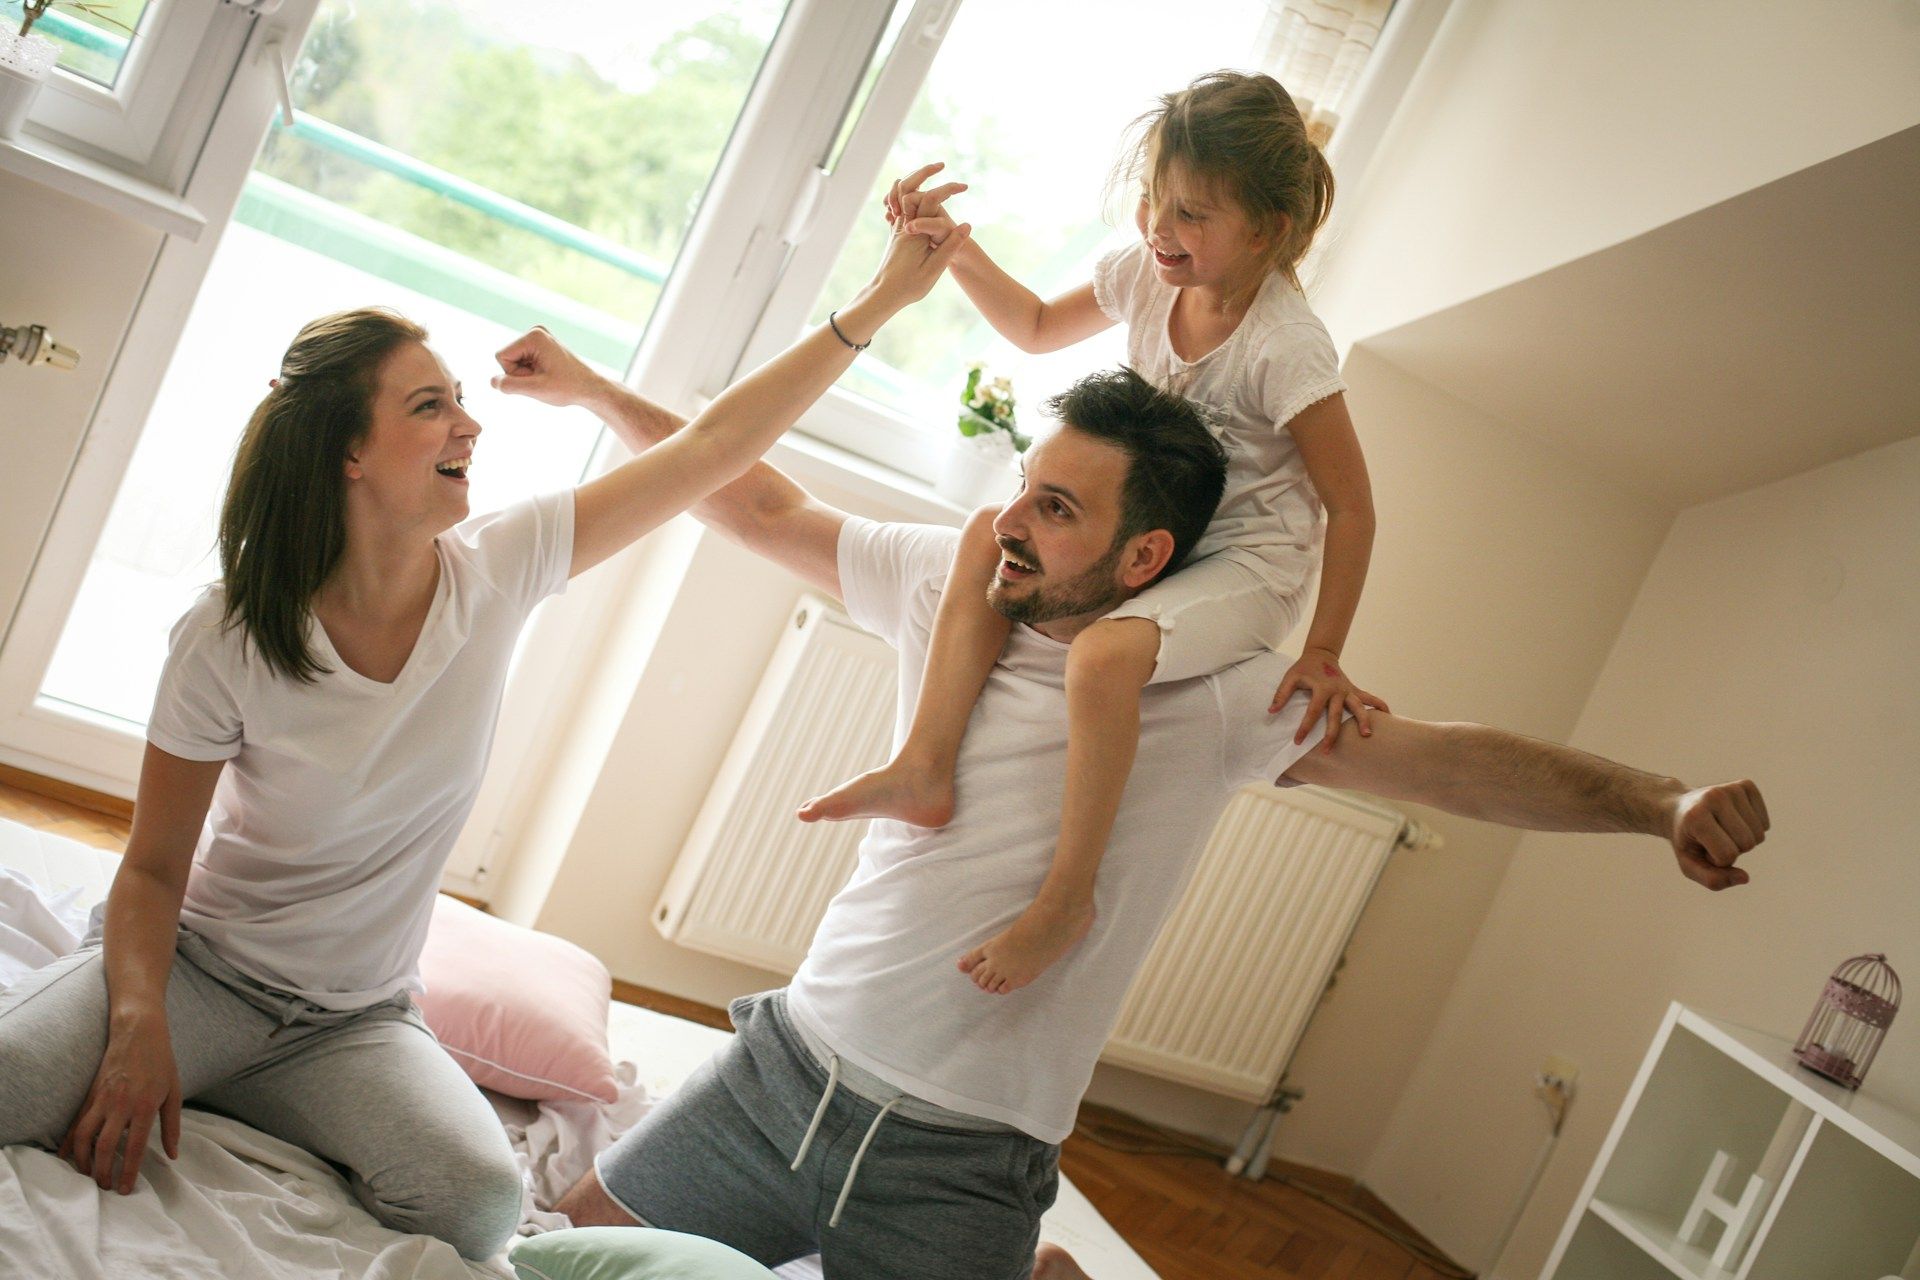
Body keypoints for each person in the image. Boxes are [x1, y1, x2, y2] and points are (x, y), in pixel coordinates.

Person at [487, 328, 1770, 1280]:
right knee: (568, 1263)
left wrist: (1660, 801)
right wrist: (600, 390)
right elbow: (759, 500)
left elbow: (1447, 762)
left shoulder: (1211, 692)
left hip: (959, 1159)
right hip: (781, 1074)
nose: (1014, 523)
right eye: (1025, 488)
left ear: (1143, 557)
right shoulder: (956, 585)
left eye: (1058, 508)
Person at [0, 219, 970, 1259]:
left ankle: (254, 1095)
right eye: (432, 404)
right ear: (351, 454)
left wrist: (873, 308)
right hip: (203, 972)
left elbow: (711, 451)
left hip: (350, 1020)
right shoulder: (229, 633)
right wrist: (141, 1018)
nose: (471, 423)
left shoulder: (498, 568)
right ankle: (206, 1068)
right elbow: (151, 867)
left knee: (478, 1202)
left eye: (462, 397)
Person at [800, 72, 1390, 997]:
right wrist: (951, 248)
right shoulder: (1143, 274)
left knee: (1105, 659)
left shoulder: (1287, 346)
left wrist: (1322, 650)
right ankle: (924, 764)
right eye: (1155, 197)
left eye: (1193, 214)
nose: (1161, 225)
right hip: (1161, 535)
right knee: (979, 536)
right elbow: (1034, 327)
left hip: (1244, 561)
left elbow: (1351, 506)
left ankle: (1066, 899)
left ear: (1267, 232)